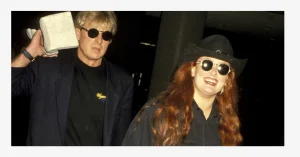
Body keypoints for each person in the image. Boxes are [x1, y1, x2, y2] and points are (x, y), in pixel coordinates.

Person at [11, 11, 134, 146]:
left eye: (106, 35)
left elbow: (121, 139)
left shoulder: (122, 82)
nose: (99, 40)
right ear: (77, 33)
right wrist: (30, 52)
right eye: (93, 32)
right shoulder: (48, 66)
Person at [122, 34, 247, 146]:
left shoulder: (228, 126)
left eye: (222, 68)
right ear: (193, 70)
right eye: (206, 64)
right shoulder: (158, 112)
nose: (214, 73)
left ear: (227, 80)